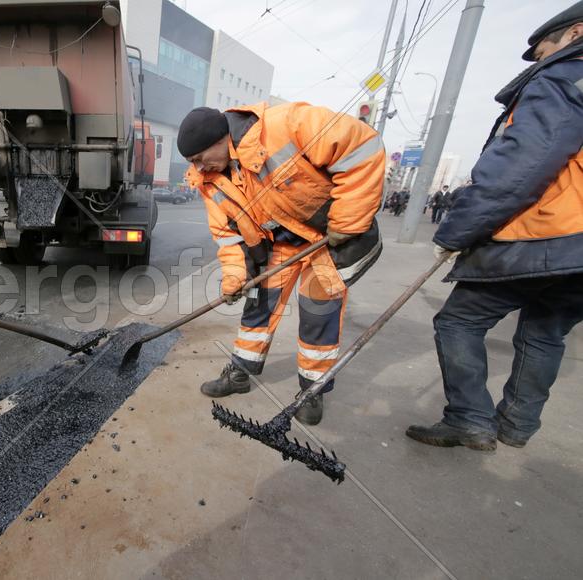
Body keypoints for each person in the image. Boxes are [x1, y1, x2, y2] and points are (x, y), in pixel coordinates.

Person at [406, 2, 583, 451]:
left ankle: (469, 419)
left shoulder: (566, 77)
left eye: (542, 51)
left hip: (545, 234)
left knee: (459, 321)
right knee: (544, 333)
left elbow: (521, 167)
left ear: (575, 33)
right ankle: (515, 426)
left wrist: (456, 233)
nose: (540, 61)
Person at [177, 103, 384, 425]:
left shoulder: (285, 125)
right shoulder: (209, 181)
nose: (199, 168)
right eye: (193, 162)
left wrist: (348, 221)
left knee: (319, 313)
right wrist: (234, 279)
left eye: (200, 158)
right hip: (280, 245)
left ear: (220, 139)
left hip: (325, 240)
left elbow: (362, 147)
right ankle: (240, 373)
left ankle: (313, 390)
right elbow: (228, 237)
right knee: (258, 304)